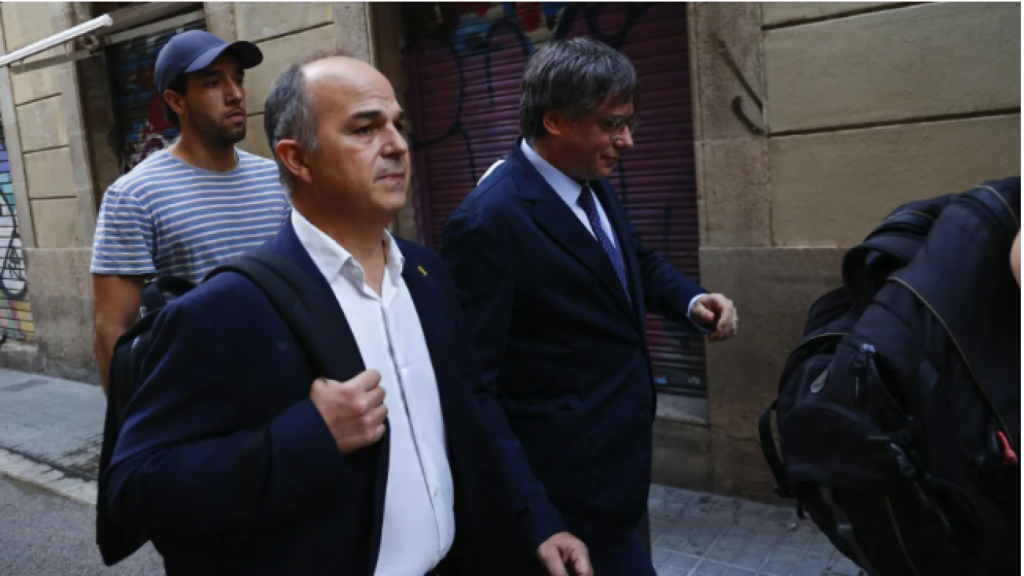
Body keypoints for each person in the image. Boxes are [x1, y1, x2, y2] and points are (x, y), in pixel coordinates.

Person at [105, 52, 539, 575]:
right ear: (297, 159)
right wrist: (307, 436)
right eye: (365, 129)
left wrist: (538, 517)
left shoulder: (427, 274)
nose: (397, 144)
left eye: (398, 125)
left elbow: (476, 406)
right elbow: (136, 485)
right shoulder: (226, 310)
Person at [441, 37, 739, 574]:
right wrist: (536, 515)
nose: (626, 142)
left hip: (618, 476)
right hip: (563, 498)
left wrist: (692, 300)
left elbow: (634, 262)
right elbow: (473, 389)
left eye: (629, 123)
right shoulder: (487, 222)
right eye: (610, 124)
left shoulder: (588, 178)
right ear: (555, 121)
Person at [90, 30, 289, 392]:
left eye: (238, 79)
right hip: (198, 397)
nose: (236, 94)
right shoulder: (134, 195)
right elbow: (112, 331)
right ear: (176, 101)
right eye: (213, 82)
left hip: (285, 383)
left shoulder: (276, 180)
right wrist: (132, 430)